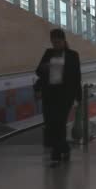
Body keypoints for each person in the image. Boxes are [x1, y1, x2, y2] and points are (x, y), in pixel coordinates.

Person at [35, 29, 82, 167]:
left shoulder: (73, 55)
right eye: (53, 42)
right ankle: (65, 148)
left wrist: (78, 96)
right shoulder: (48, 53)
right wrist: (45, 67)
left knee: (59, 123)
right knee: (50, 123)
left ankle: (55, 156)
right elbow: (38, 71)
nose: (55, 45)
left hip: (65, 95)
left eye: (58, 42)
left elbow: (76, 76)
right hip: (49, 94)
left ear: (63, 41)